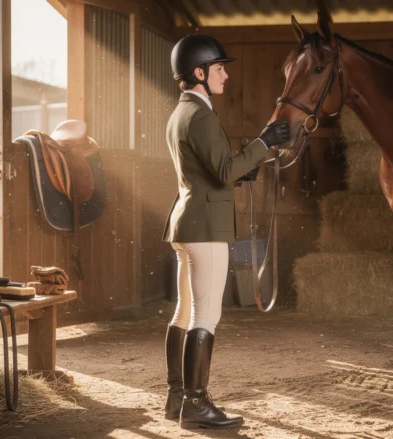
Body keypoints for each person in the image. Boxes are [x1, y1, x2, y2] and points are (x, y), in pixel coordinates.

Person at [161, 34, 290, 430]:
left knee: (184, 311)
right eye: (219, 68)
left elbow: (214, 170)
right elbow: (222, 171)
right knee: (207, 314)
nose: (226, 75)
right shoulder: (200, 114)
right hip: (206, 226)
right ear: (198, 73)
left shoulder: (181, 113)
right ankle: (196, 405)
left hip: (187, 221)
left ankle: (177, 397)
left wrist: (242, 166)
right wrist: (263, 143)